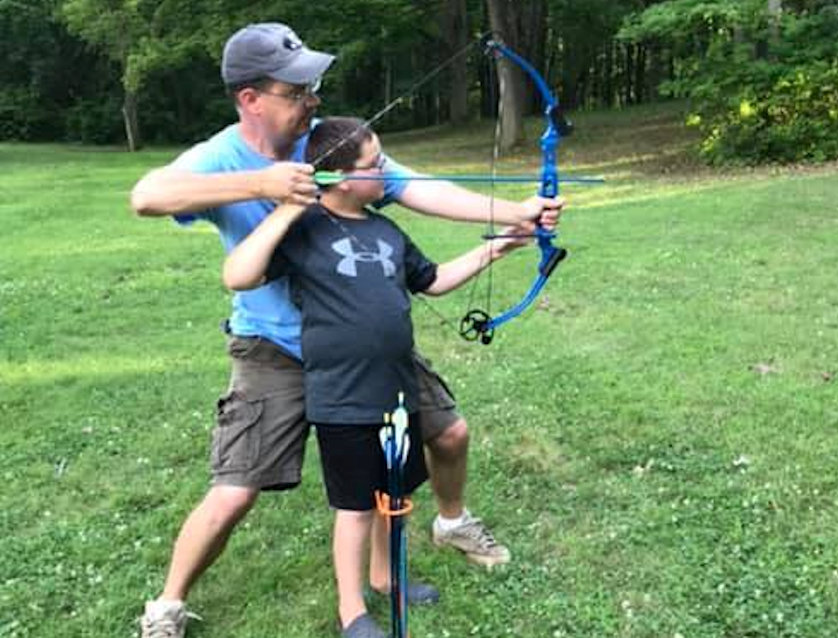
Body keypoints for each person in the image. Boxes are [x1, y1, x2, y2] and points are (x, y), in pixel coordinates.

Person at [130, 22, 564, 638]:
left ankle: (447, 525)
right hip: (274, 347)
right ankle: (168, 606)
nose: (313, 100)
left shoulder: (331, 144)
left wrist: (513, 213)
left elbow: (414, 187)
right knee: (235, 491)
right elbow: (147, 195)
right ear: (251, 98)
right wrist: (261, 185)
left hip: (361, 348)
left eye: (314, 87)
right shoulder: (221, 156)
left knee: (445, 435)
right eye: (297, 89)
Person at [223, 116, 533, 638]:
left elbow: (431, 281)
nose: (386, 171)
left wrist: (496, 246)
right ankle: (353, 612)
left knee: (394, 495)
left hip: (396, 389)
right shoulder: (302, 233)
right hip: (342, 397)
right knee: (355, 507)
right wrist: (286, 210)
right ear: (339, 178)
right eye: (375, 164)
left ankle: (386, 579)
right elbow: (239, 274)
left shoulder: (387, 229)